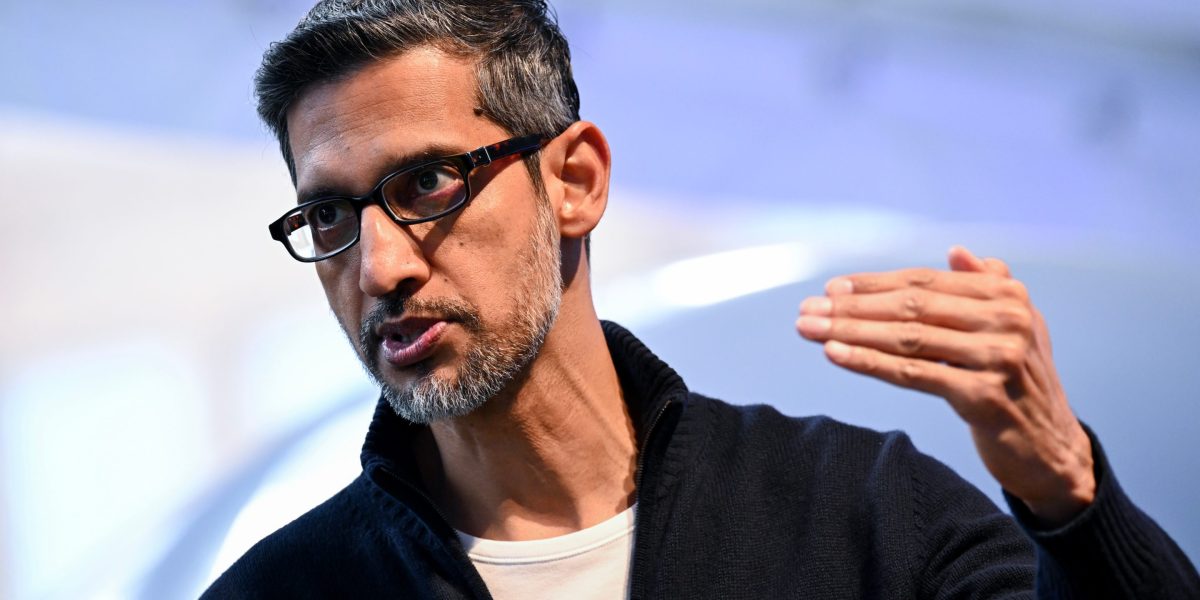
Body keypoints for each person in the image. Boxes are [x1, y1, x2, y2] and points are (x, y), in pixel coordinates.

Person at [205, 0, 1199, 597]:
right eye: (328, 217)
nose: (379, 268)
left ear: (575, 181)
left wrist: (1070, 498)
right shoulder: (285, 591)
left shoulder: (859, 515)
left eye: (426, 183)